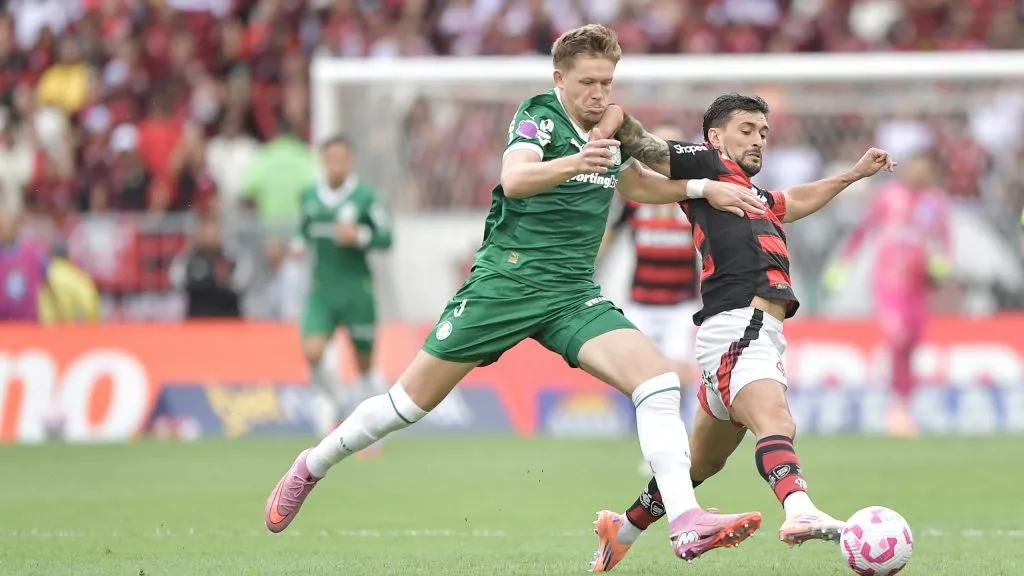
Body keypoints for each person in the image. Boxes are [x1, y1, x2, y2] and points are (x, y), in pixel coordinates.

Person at [264, 25, 769, 564]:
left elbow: (637, 185)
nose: (599, 94)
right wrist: (578, 161)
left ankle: (685, 520)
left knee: (659, 383)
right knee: (404, 406)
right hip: (505, 286)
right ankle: (311, 465)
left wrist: (700, 188)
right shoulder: (537, 117)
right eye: (588, 83)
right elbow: (515, 179)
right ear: (560, 79)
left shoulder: (611, 126)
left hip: (571, 293)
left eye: (607, 81)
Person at [587, 94, 896, 572]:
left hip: (744, 330)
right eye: (747, 128)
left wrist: (852, 175)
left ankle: (622, 529)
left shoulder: (747, 193)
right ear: (716, 136)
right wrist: (611, 117)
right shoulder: (707, 164)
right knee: (776, 421)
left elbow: (791, 203)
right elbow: (646, 152)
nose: (758, 139)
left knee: (700, 465)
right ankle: (799, 510)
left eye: (764, 133)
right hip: (740, 324)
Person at [824, 151, 952, 437]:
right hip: (889, 281)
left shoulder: (935, 201)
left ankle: (903, 405)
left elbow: (944, 239)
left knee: (912, 344)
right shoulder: (888, 197)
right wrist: (842, 264)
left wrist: (942, 265)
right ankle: (895, 406)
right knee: (897, 337)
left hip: (918, 283)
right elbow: (863, 230)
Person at [600, 123, 701, 476]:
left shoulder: (691, 194)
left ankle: (676, 446)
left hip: (681, 303)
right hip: (642, 298)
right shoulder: (635, 196)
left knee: (677, 373)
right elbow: (609, 238)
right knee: (637, 374)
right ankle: (647, 441)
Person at [292, 135, 393, 436]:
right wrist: (296, 244)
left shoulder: (366, 198)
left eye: (342, 158)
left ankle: (376, 420)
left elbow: (387, 237)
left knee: (364, 364)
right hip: (322, 289)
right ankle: (332, 397)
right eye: (331, 158)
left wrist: (360, 236)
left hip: (356, 290)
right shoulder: (309, 195)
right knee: (312, 351)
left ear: (350, 161)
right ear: (323, 161)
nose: (336, 164)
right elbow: (304, 229)